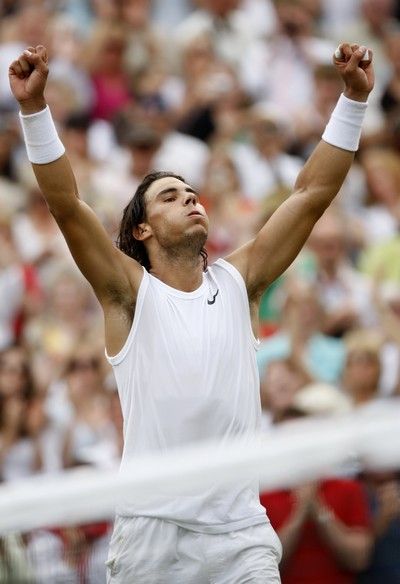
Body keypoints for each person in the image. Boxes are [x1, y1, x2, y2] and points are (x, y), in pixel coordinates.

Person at [8, 42, 374, 583]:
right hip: (151, 537)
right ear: (142, 229)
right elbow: (66, 204)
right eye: (171, 196)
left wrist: (353, 100)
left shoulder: (240, 281)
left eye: (193, 192)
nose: (191, 199)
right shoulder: (126, 294)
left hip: (239, 537)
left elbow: (312, 192)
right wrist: (35, 110)